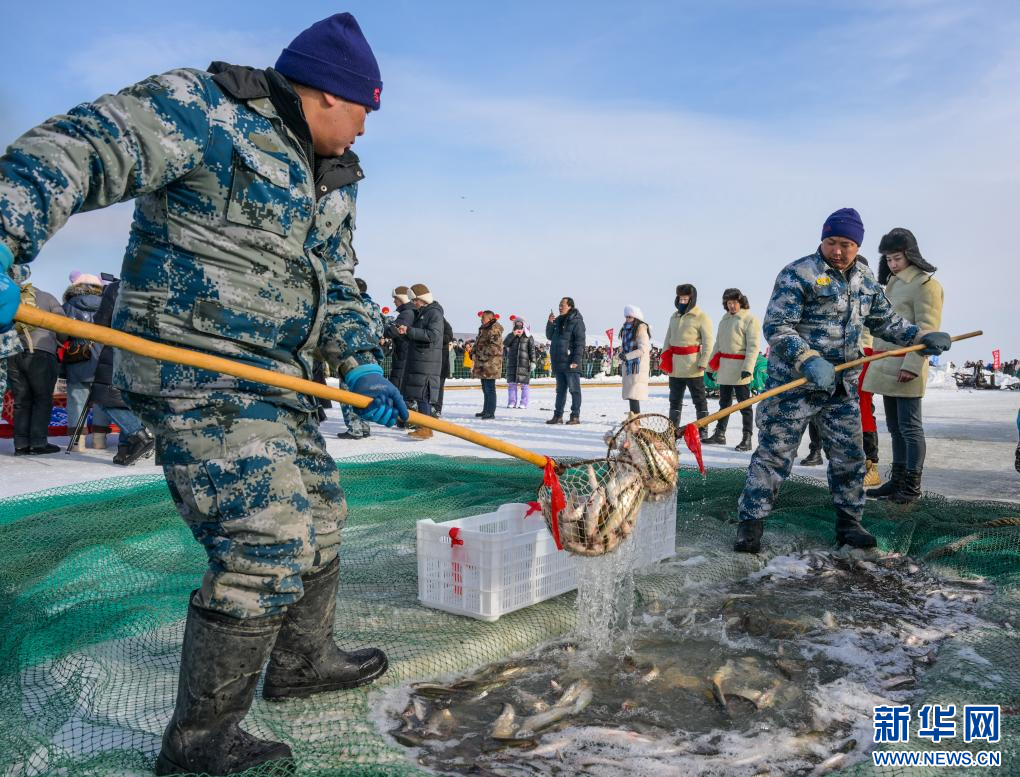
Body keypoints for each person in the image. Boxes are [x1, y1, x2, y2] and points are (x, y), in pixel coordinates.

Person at [0, 14, 409, 775]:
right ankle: (200, 746)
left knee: (321, 510)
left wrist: (360, 363)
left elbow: (341, 278)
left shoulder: (333, 180)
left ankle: (300, 659)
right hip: (192, 366)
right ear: (330, 94)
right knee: (266, 534)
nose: (364, 130)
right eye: (365, 111)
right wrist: (3, 232)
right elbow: (85, 145)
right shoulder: (207, 108)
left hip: (274, 376)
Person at [733, 208, 951, 554]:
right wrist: (807, 359)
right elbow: (777, 327)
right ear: (823, 239)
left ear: (856, 245)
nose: (838, 250)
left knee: (850, 457)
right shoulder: (798, 274)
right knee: (774, 456)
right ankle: (751, 524)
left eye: (846, 244)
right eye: (832, 242)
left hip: (840, 389)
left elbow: (886, 322)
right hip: (794, 386)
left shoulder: (865, 280)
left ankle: (850, 523)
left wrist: (921, 338)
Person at [863, 228, 944, 504]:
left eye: (897, 258)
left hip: (906, 365)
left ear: (911, 255)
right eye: (888, 259)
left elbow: (928, 328)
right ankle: (896, 480)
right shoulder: (894, 283)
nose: (893, 264)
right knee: (895, 428)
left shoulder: (926, 285)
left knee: (910, 428)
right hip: (885, 363)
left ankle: (911, 486)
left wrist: (912, 363)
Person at [90, 276, 156, 465]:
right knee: (130, 399)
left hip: (120, 346)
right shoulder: (160, 286)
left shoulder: (117, 287)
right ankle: (125, 449)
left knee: (105, 397)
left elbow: (101, 321)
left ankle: (140, 436)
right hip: (152, 351)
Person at [7, 266, 66, 455]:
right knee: (42, 399)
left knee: (21, 400)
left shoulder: (10, 298)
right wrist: (61, 341)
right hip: (41, 353)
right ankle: (38, 443)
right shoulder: (47, 297)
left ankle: (21, 444)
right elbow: (62, 324)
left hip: (13, 353)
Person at [705, 289, 760, 452]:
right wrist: (710, 367)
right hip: (725, 367)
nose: (732, 306)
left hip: (740, 368)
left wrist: (748, 368)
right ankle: (720, 434)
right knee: (724, 404)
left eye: (734, 302)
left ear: (741, 302)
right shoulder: (725, 320)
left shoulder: (749, 319)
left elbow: (753, 346)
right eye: (728, 303)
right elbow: (718, 345)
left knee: (745, 405)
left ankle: (747, 437)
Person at [660, 284, 714, 440]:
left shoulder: (701, 317)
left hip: (693, 366)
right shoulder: (674, 317)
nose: (683, 301)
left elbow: (709, 342)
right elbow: (667, 340)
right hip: (676, 366)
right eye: (680, 298)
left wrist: (704, 361)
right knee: (674, 399)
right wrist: (664, 359)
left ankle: (703, 429)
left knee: (699, 399)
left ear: (692, 299)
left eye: (686, 298)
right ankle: (673, 429)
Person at [60, 272, 105, 451]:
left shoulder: (68, 306)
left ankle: (78, 442)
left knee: (77, 398)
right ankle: (99, 440)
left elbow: (62, 334)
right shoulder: (106, 304)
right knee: (102, 399)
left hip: (78, 356)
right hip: (101, 356)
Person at [338, 278, 384, 439]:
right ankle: (365, 426)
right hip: (371, 352)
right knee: (364, 391)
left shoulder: (352, 305)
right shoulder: (374, 307)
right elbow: (379, 330)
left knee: (347, 391)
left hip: (353, 353)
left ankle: (354, 428)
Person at [399, 283, 444, 440]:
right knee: (419, 395)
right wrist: (406, 333)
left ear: (422, 299)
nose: (414, 303)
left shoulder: (434, 314)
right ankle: (420, 424)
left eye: (415, 300)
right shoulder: (423, 312)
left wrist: (410, 331)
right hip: (420, 360)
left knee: (423, 395)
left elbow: (433, 335)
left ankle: (426, 428)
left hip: (427, 361)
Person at [546, 297, 586, 424]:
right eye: (559, 305)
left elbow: (580, 342)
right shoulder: (558, 320)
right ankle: (558, 416)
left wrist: (576, 359)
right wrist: (550, 323)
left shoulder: (576, 321)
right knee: (560, 391)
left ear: (570, 306)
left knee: (574, 390)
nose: (560, 307)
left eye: (562, 305)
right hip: (558, 360)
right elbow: (550, 336)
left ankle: (575, 416)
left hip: (570, 361)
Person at [384, 286, 415, 406]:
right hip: (404, 353)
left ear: (401, 299)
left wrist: (384, 328)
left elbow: (393, 331)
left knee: (397, 383)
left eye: (395, 299)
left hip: (403, 354)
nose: (394, 302)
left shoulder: (406, 314)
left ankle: (397, 411)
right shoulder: (409, 312)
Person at [619, 305, 651, 417]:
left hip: (637, 366)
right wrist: (622, 354)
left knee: (634, 394)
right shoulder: (626, 330)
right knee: (631, 395)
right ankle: (633, 417)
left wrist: (627, 356)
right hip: (629, 366)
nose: (627, 319)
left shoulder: (641, 329)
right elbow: (625, 346)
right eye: (626, 317)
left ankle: (636, 419)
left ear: (636, 317)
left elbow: (643, 349)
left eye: (630, 317)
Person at [472, 310, 504, 419]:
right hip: (483, 363)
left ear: (490, 318)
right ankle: (486, 410)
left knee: (490, 388)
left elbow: (495, 347)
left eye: (483, 317)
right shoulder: (484, 328)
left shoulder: (494, 329)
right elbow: (479, 343)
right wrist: (473, 351)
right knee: (485, 388)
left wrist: (480, 353)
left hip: (491, 364)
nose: (481, 319)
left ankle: (490, 412)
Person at [503, 317, 535, 409]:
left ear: (523, 325)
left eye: (520, 324)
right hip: (512, 364)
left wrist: (533, 361)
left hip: (524, 364)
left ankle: (523, 403)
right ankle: (512, 402)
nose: (519, 326)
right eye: (517, 324)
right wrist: (513, 334)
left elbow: (532, 350)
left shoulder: (528, 336)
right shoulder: (511, 335)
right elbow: (505, 343)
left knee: (524, 384)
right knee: (512, 384)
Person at [435, 317, 454, 417]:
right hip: (431, 361)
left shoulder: (444, 323)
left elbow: (448, 336)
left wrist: (435, 337)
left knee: (439, 386)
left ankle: (437, 408)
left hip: (442, 361)